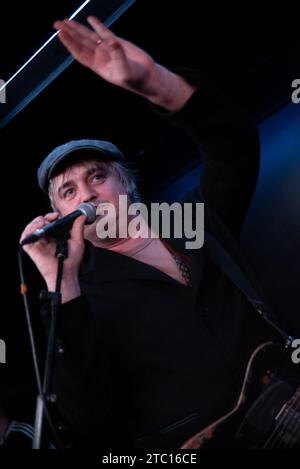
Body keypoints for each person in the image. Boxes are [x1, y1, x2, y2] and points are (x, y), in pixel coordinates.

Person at [18, 16, 292, 449]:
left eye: (97, 176)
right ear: (59, 215)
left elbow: (233, 146)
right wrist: (62, 282)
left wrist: (158, 84)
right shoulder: (78, 297)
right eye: (69, 191)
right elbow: (85, 420)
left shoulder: (190, 221)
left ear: (125, 183)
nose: (88, 193)